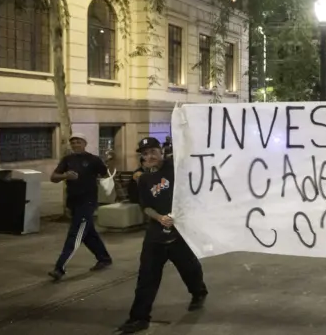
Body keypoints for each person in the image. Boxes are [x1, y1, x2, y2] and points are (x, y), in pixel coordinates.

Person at [118, 137, 208, 334]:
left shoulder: (175, 168)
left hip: (180, 232)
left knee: (189, 268)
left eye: (153, 151)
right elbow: (145, 206)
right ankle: (139, 318)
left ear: (161, 151)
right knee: (146, 277)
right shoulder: (143, 179)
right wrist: (159, 218)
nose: (149, 156)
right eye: (145, 153)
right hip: (156, 234)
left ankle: (198, 292)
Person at [48, 134, 113, 281]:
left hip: (87, 202)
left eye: (79, 142)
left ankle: (60, 268)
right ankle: (104, 258)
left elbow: (106, 175)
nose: (76, 144)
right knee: (88, 233)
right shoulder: (67, 160)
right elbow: (53, 177)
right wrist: (65, 176)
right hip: (73, 203)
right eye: (73, 142)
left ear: (85, 143)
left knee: (75, 234)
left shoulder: (93, 160)